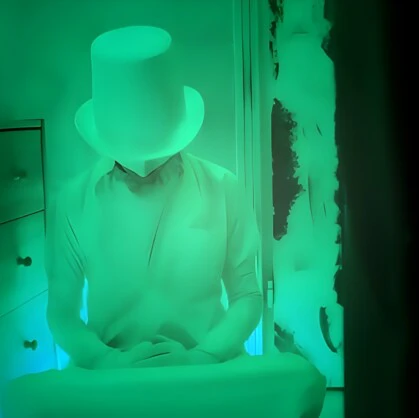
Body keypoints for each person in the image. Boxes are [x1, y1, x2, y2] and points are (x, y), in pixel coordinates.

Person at [45, 26, 263, 370]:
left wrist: (203, 356)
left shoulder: (224, 187)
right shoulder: (73, 200)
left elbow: (247, 295)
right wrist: (107, 361)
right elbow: (61, 311)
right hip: (108, 375)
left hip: (209, 368)